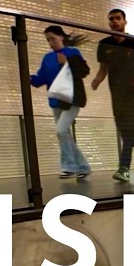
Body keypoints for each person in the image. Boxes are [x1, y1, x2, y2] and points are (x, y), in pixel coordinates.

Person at [91, 9, 134, 183]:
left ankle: (124, 169)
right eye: (111, 19)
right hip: (118, 94)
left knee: (128, 130)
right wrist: (96, 82)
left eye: (117, 18)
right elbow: (103, 69)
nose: (114, 22)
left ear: (124, 21)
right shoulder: (105, 44)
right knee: (125, 131)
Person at [30, 26, 92, 180]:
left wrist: (68, 62)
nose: (50, 43)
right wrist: (29, 78)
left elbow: (84, 71)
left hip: (72, 98)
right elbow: (41, 79)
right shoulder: (47, 58)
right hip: (56, 99)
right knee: (65, 134)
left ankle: (69, 167)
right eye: (48, 40)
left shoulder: (73, 53)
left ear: (61, 37)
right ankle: (83, 166)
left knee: (61, 131)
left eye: (52, 38)